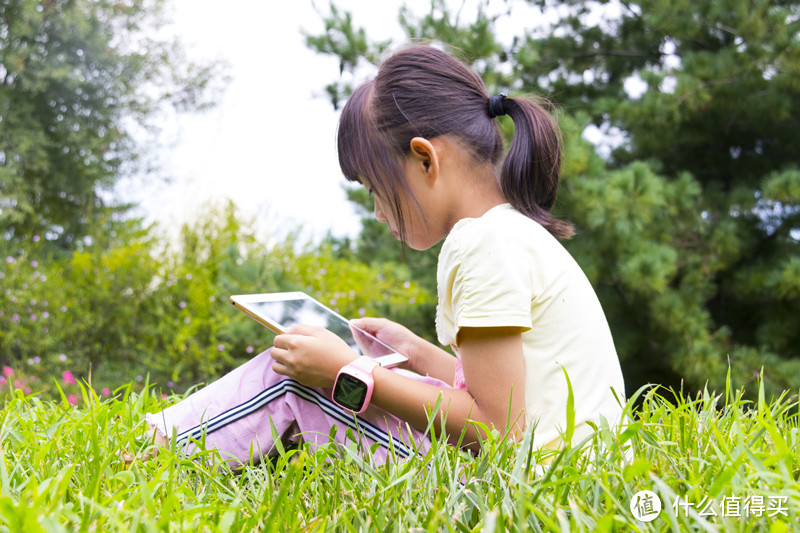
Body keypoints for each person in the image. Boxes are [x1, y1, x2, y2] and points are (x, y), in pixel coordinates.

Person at [144, 45, 625, 467]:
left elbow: (496, 427)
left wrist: (347, 371)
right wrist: (412, 353)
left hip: (524, 486)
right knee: (315, 362)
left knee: (291, 373)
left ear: (424, 159)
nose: (377, 212)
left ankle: (152, 453)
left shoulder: (480, 243)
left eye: (376, 189)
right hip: (565, 472)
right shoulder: (509, 232)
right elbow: (499, 392)